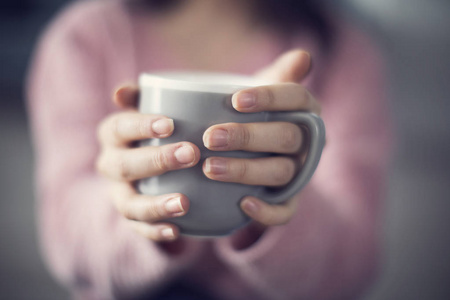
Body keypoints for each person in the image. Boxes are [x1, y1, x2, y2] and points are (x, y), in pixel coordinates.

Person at [26, 0, 391, 299]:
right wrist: (137, 209)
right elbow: (66, 242)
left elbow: (352, 269)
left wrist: (276, 202)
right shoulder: (84, 37)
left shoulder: (342, 51)